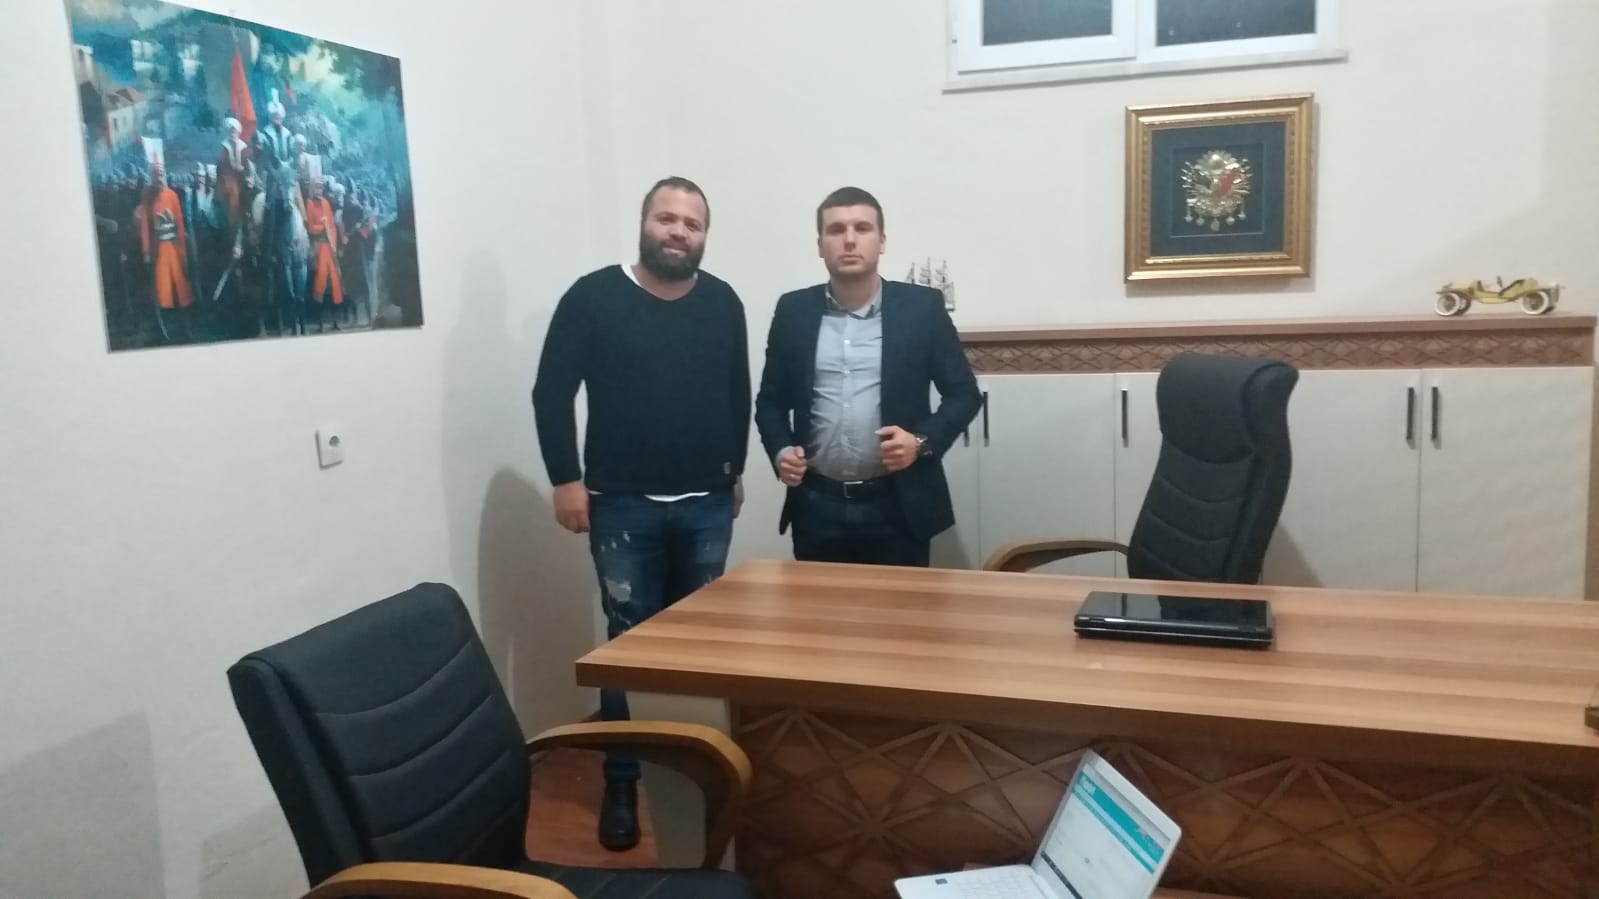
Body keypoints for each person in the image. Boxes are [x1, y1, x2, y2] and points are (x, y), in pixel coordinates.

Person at [531, 176, 751, 851]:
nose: (678, 231)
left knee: (700, 650)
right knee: (629, 648)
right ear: (644, 223)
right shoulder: (592, 297)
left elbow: (737, 391)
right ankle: (624, 780)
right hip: (621, 506)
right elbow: (550, 392)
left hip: (706, 503)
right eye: (666, 218)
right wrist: (566, 480)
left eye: (691, 223)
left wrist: (733, 470)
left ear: (704, 235)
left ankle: (698, 772)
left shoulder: (723, 301)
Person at [755, 186, 981, 566]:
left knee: (899, 606)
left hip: (898, 505)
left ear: (882, 241)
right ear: (820, 244)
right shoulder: (793, 311)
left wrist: (920, 442)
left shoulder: (921, 309)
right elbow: (770, 401)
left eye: (862, 228)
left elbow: (964, 394)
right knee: (821, 606)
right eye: (836, 229)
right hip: (816, 505)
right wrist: (781, 451)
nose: (849, 239)